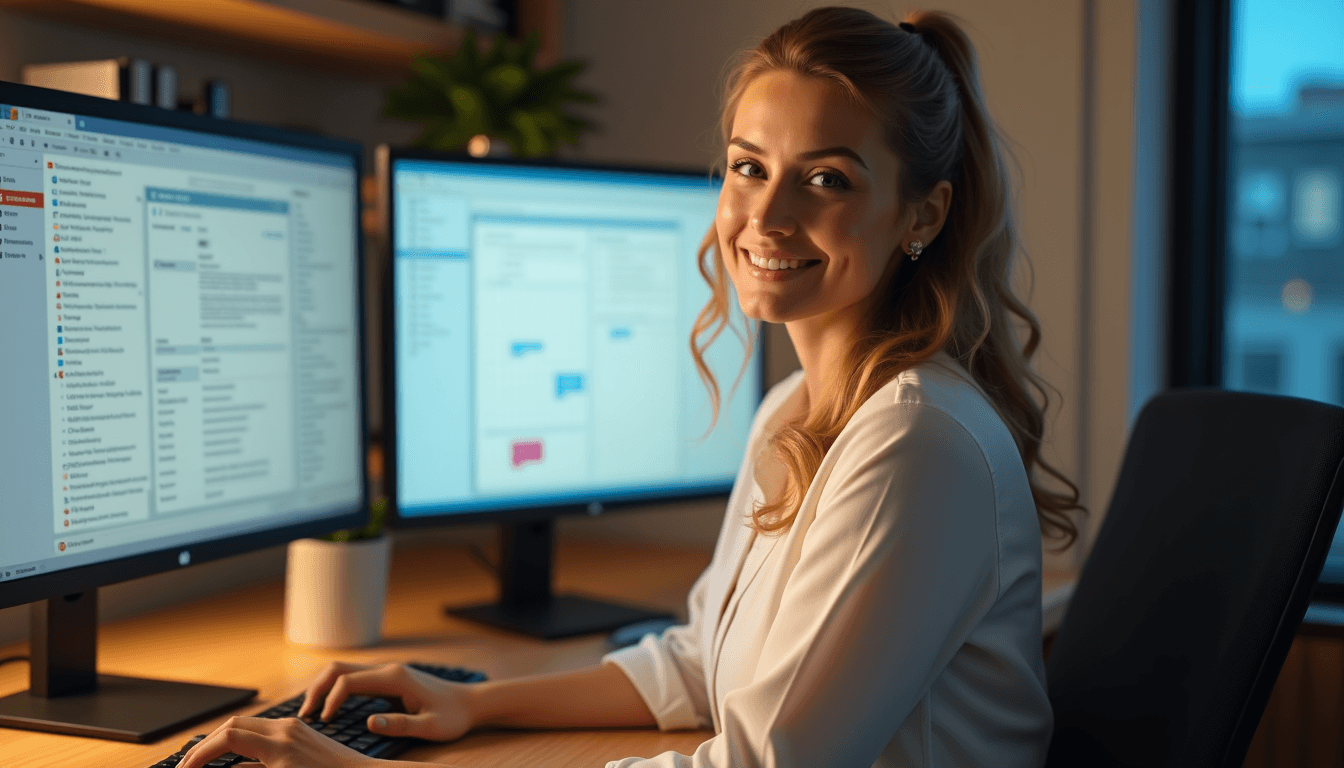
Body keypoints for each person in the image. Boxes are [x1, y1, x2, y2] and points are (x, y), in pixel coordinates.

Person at [178, 6, 1083, 768]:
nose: (766, 215)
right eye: (747, 166)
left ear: (922, 214)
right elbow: (699, 666)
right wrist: (475, 703)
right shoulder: (796, 415)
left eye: (826, 179)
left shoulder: (914, 440)